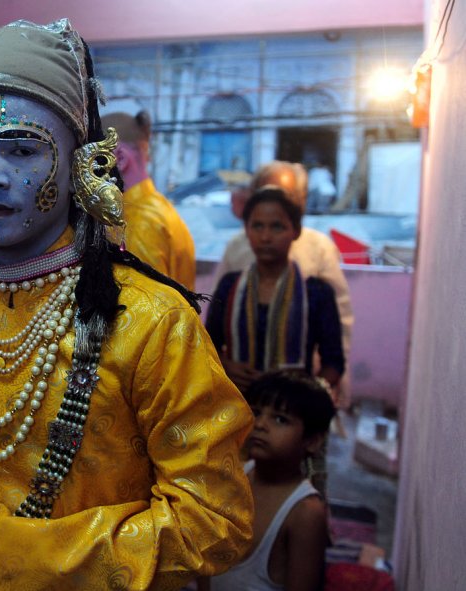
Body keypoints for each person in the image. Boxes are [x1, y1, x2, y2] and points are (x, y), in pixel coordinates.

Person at [0, 19, 254, 590]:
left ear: (81, 166)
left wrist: (8, 551)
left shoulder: (150, 321)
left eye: (21, 149)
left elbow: (216, 522)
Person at [213, 161, 353, 406]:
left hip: (298, 395)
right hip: (236, 403)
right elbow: (209, 341)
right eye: (257, 226)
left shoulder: (319, 254)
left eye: (277, 226)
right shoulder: (234, 262)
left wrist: (311, 394)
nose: (266, 236)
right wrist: (225, 366)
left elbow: (336, 340)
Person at [199, 370, 336, 591]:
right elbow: (206, 566)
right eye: (256, 412)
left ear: (312, 441)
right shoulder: (232, 479)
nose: (260, 424)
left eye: (280, 419)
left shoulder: (305, 513)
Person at [102, 110, 197, 290]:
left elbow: (144, 309)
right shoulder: (157, 207)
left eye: (93, 158)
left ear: (119, 158)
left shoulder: (139, 222)